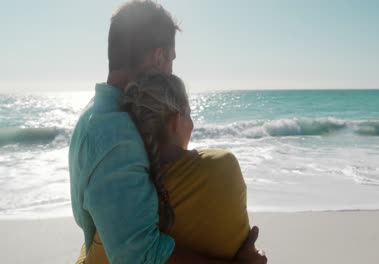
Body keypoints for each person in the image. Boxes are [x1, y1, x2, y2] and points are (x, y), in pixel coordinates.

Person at [68, 1, 267, 263]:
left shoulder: (101, 112)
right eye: (172, 60)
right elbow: (138, 255)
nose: (172, 70)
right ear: (159, 57)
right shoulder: (114, 134)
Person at [85, 72, 253, 263]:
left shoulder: (115, 200)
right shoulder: (222, 168)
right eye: (188, 114)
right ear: (175, 122)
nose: (192, 124)